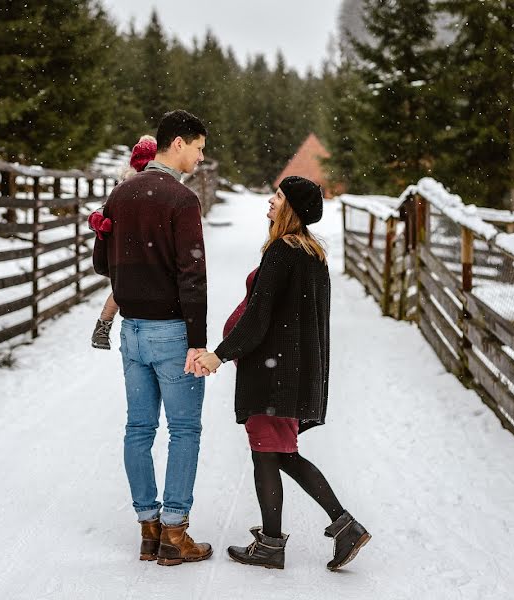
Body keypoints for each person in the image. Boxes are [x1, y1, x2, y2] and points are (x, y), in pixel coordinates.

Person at [196, 176, 371, 571]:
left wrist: (219, 355)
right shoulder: (311, 254)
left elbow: (259, 318)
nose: (269, 203)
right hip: (289, 375)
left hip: (272, 376)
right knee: (279, 454)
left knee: (269, 455)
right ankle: (338, 527)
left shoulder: (282, 251)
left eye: (276, 197)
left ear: (291, 206)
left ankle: (279, 543)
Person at [92, 110, 213, 566]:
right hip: (171, 332)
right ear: (177, 143)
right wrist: (197, 342)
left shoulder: (120, 195)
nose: (201, 157)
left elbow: (102, 265)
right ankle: (174, 532)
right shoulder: (181, 200)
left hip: (132, 333)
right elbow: (193, 275)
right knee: (184, 430)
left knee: (139, 428)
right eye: (199, 147)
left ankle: (147, 526)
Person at [89, 134, 158, 350]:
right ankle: (103, 324)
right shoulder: (124, 188)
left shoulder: (161, 187)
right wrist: (101, 222)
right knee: (122, 287)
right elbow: (101, 212)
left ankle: (108, 324)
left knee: (130, 286)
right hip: (128, 247)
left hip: (146, 246)